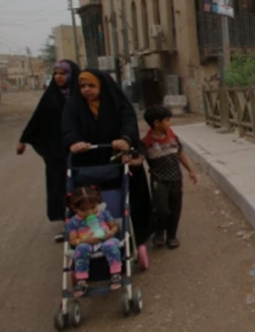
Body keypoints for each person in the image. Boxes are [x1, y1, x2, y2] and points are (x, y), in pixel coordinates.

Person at [62, 69, 153, 247]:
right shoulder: (73, 106)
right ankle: (88, 234)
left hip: (116, 157)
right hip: (88, 160)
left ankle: (137, 234)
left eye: (91, 85)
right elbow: (67, 128)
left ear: (102, 86)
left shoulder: (117, 103)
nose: (86, 89)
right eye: (82, 86)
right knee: (85, 198)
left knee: (131, 193)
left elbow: (129, 122)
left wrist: (125, 139)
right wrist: (74, 142)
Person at [17, 59, 80, 242]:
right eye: (56, 73)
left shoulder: (81, 93)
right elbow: (38, 117)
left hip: (78, 147)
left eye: (63, 73)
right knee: (60, 186)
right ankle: (67, 224)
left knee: (81, 184)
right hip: (57, 151)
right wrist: (23, 139)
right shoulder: (51, 95)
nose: (58, 77)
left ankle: (87, 221)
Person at [142, 105, 197, 249]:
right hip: (159, 180)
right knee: (161, 209)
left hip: (176, 179)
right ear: (156, 123)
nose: (169, 123)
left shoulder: (173, 137)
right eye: (167, 120)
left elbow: (180, 153)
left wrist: (190, 170)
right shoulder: (146, 143)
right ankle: (159, 232)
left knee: (175, 209)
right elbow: (139, 159)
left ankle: (172, 236)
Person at [66, 186, 122, 296]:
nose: (90, 212)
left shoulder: (103, 214)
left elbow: (114, 227)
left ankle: (116, 273)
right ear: (75, 209)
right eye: (84, 210)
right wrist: (84, 240)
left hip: (106, 239)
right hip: (87, 243)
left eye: (93, 207)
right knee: (81, 249)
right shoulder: (74, 222)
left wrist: (111, 233)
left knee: (110, 245)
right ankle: (81, 279)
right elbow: (73, 240)